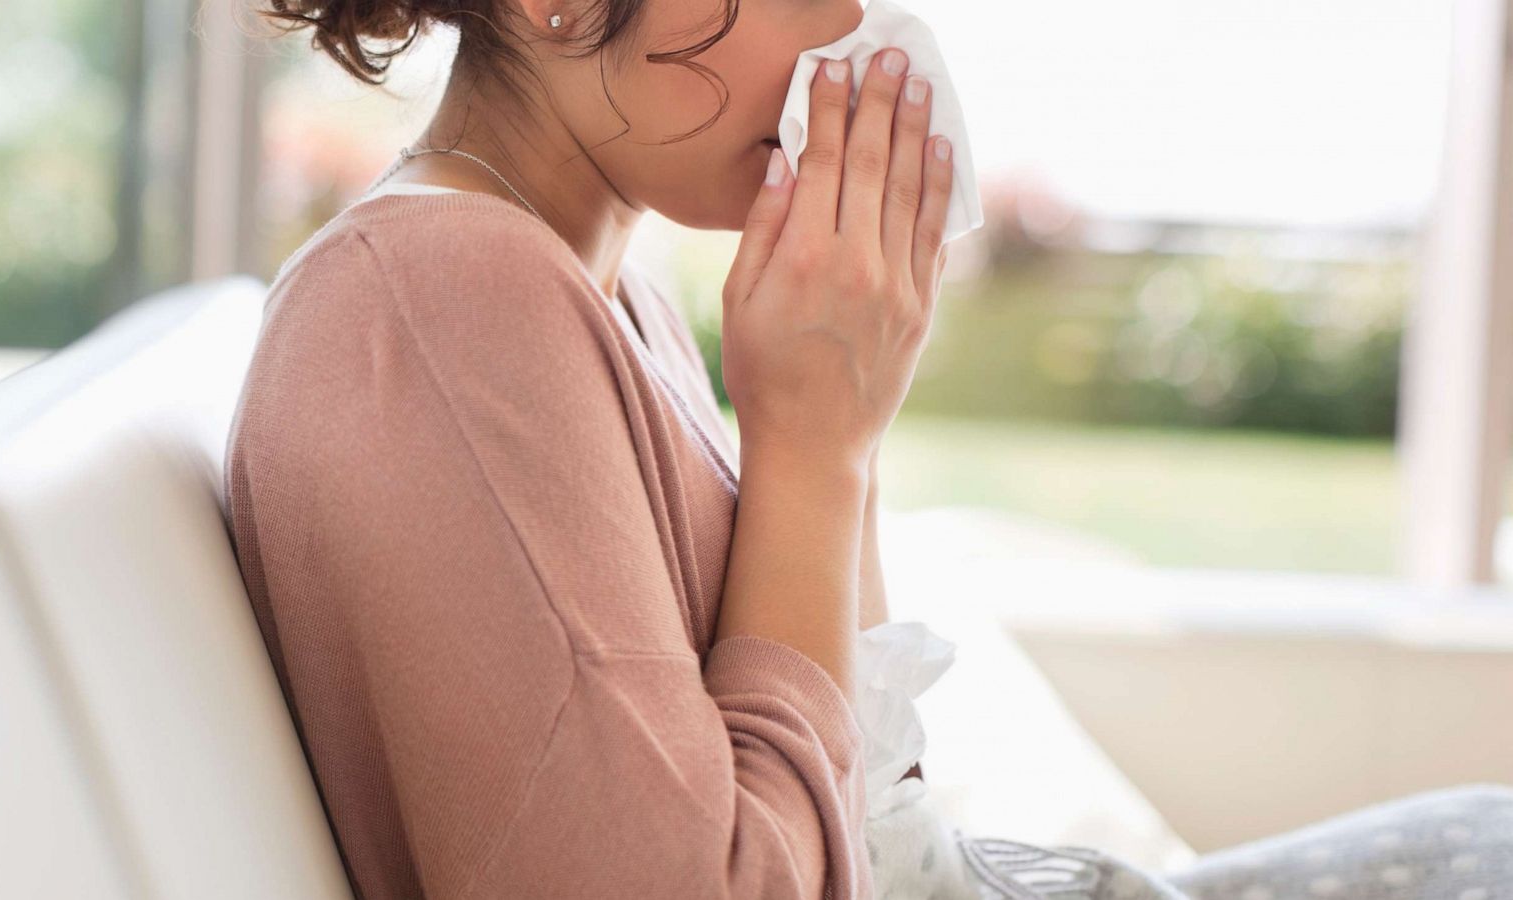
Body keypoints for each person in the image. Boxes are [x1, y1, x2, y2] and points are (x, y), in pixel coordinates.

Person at [223, 0, 1513, 897]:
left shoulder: (611, 295)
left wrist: (845, 429)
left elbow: (869, 805)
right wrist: (811, 454)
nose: (861, 38)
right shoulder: (444, 292)